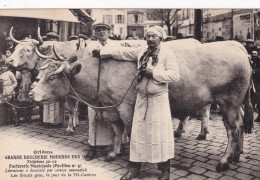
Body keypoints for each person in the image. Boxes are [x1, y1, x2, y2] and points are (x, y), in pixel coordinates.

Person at [92, 25, 180, 180]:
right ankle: (134, 169)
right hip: (141, 98)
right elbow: (123, 52)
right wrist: (102, 52)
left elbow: (174, 75)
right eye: (148, 36)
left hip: (158, 99)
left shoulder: (167, 54)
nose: (151, 39)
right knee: (137, 133)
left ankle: (165, 170)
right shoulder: (142, 52)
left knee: (159, 134)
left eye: (154, 37)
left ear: (161, 38)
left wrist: (154, 73)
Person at [85, 23, 126, 162]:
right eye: (98, 30)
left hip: (112, 87)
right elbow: (84, 66)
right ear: (95, 33)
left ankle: (116, 147)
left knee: (114, 117)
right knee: (94, 116)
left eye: (104, 30)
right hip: (94, 86)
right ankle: (93, 147)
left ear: (109, 31)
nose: (101, 32)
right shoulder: (90, 47)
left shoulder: (116, 46)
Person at [251, 50, 260, 122]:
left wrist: (255, 72)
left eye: (255, 54)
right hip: (254, 83)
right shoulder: (251, 61)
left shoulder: (258, 61)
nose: (253, 55)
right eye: (252, 54)